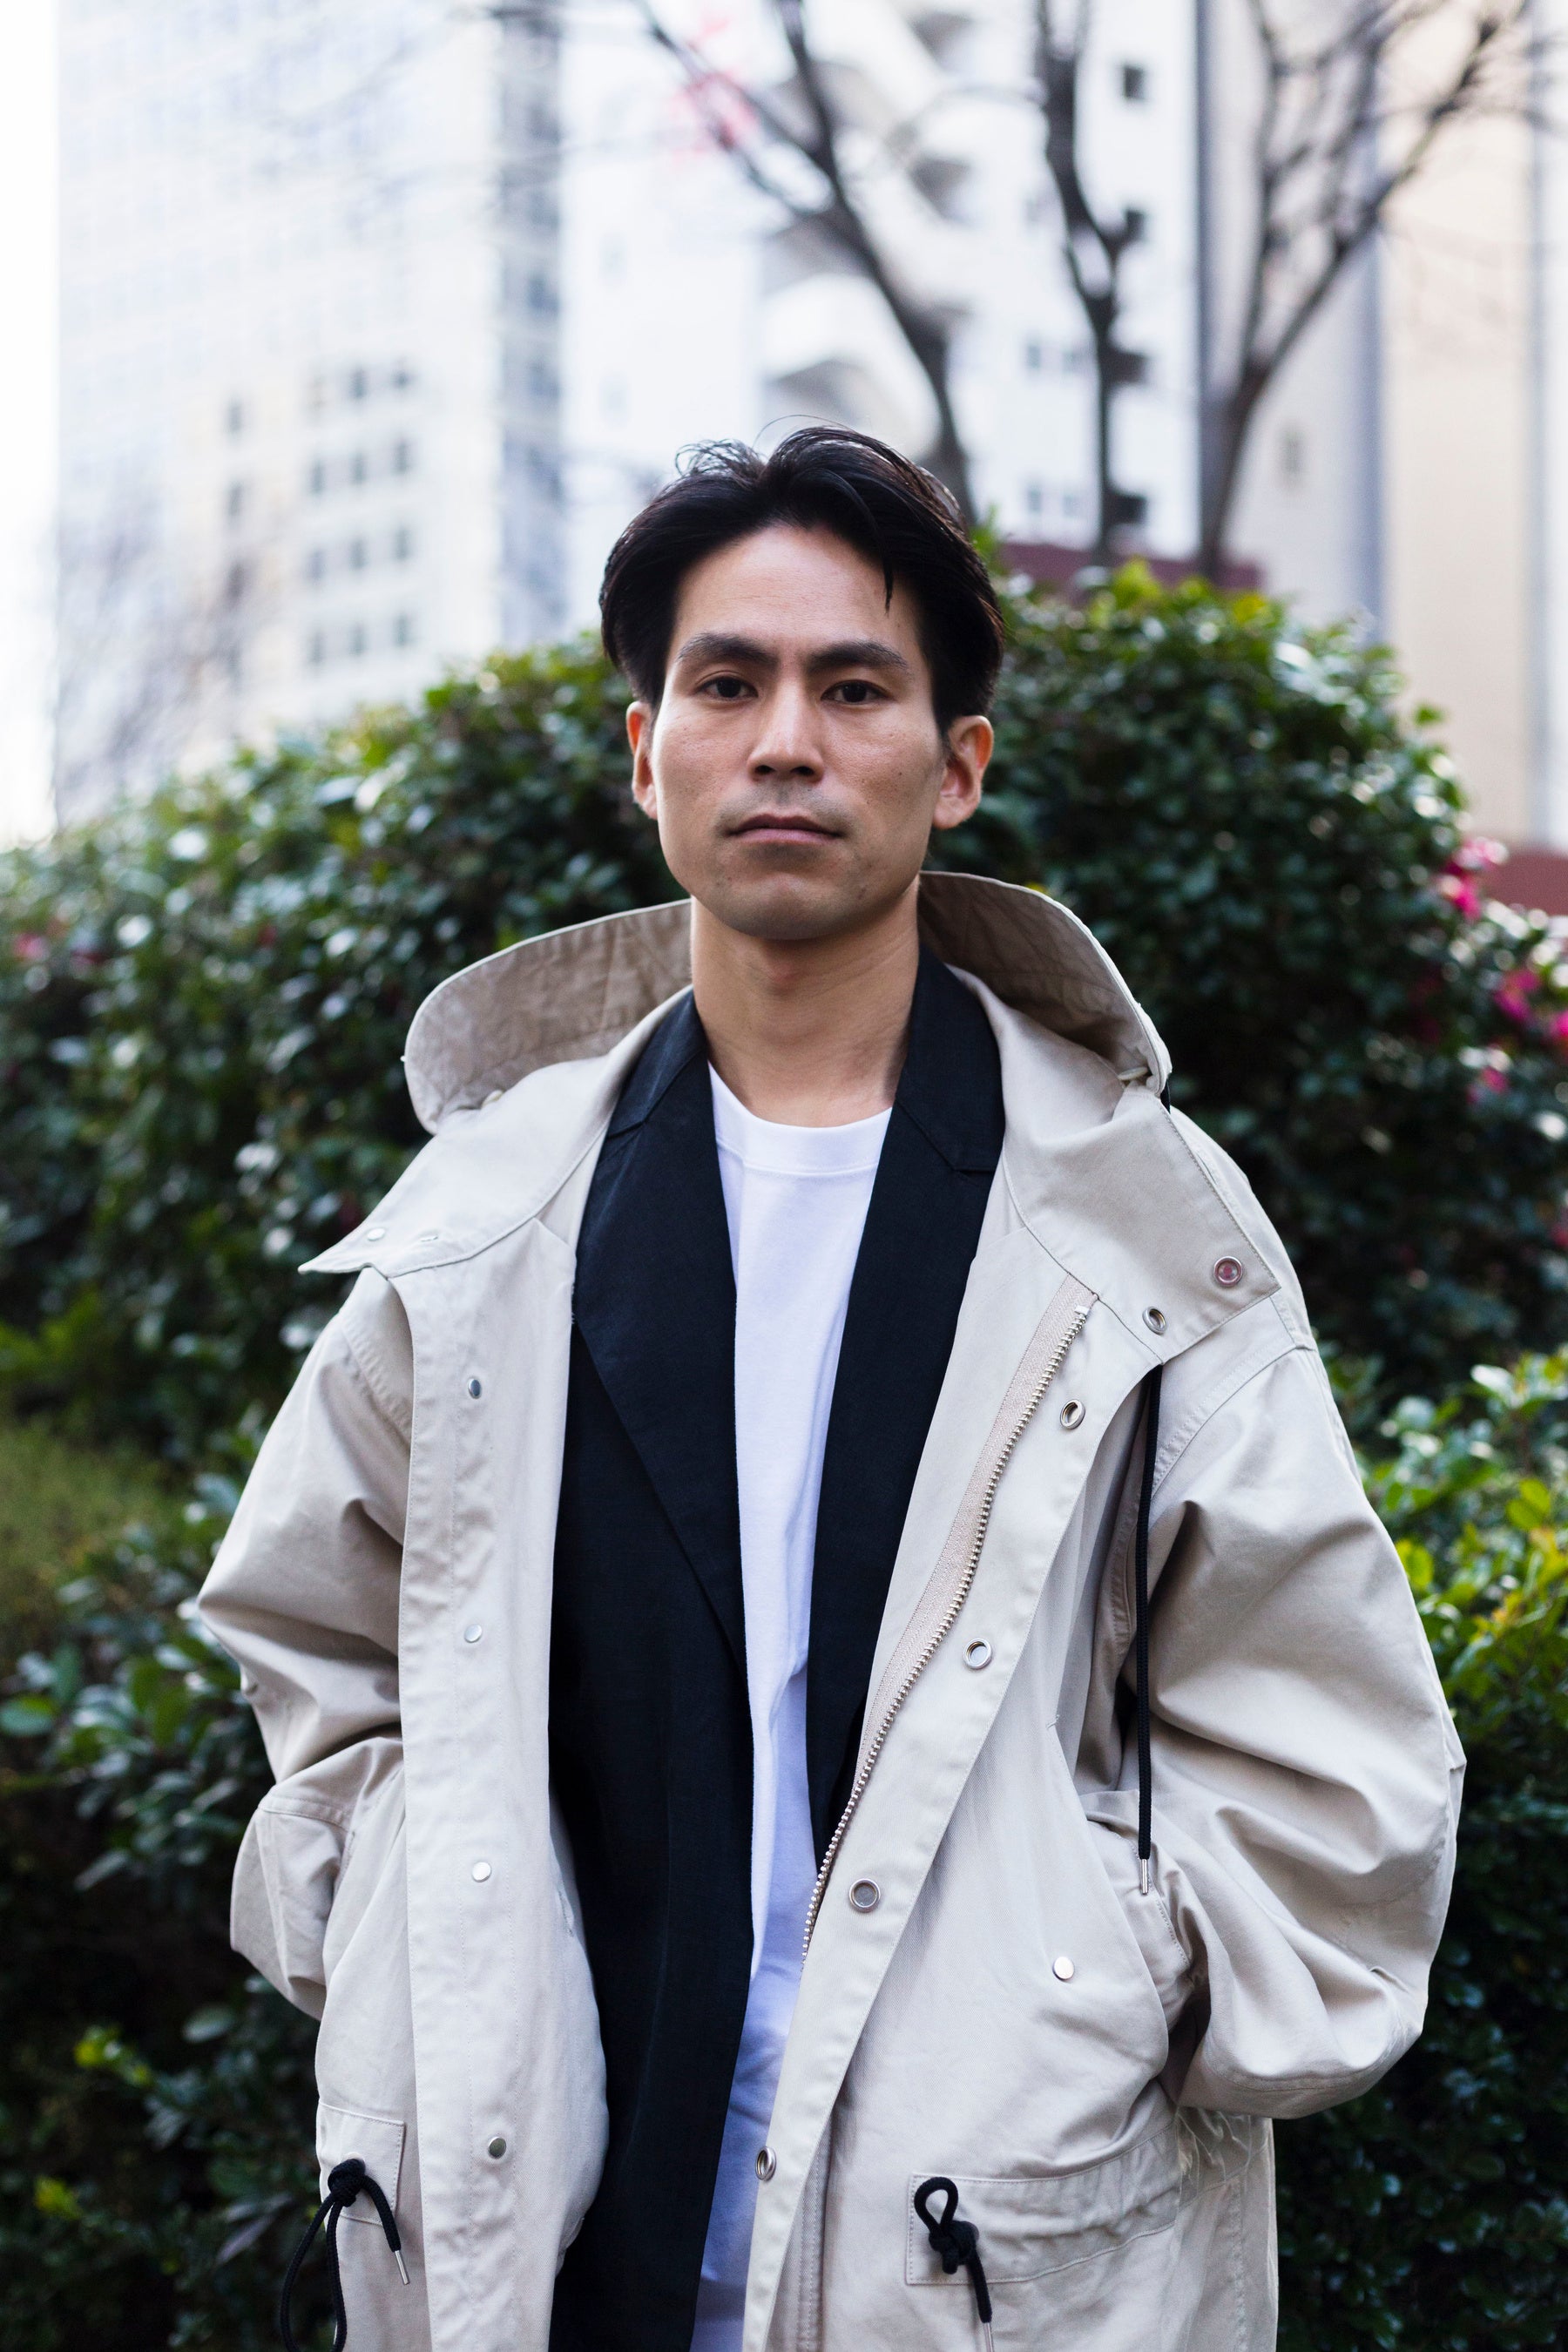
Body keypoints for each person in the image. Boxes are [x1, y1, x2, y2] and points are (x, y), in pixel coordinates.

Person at [201, 428, 1461, 2352]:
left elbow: (1334, 1743)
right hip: (549, 2245)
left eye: (854, 688)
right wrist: (400, 1931)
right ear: (650, 755)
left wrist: (1090, 1993)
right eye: (727, 684)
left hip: (990, 2251)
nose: (785, 741)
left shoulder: (1134, 1224)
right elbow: (314, 1649)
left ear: (957, 765)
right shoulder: (487, 1225)